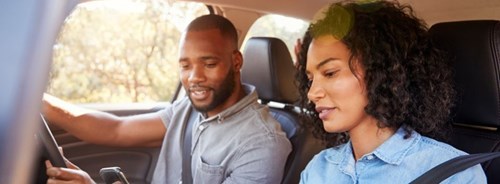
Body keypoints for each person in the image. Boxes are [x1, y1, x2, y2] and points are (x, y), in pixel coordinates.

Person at [44, 14, 292, 184]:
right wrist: (37, 101)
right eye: (185, 66)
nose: (194, 77)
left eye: (209, 63)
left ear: (236, 62)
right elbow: (116, 130)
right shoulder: (190, 108)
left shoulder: (262, 144)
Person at [296, 1, 487, 183]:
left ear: (381, 70)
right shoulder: (318, 169)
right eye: (310, 79)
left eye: (330, 73)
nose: (312, 94)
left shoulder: (453, 174)